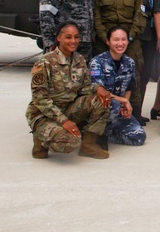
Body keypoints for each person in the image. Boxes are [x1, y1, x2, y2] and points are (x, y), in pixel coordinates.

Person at [26, 21, 111, 160]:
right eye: (68, 37)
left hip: (68, 108)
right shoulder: (45, 62)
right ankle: (40, 140)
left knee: (101, 101)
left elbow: (84, 87)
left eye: (76, 37)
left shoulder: (79, 60)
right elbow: (39, 99)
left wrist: (98, 88)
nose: (73, 41)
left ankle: (88, 145)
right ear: (59, 38)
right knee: (70, 142)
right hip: (44, 114)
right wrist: (63, 121)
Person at [92, 0, 146, 117]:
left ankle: (134, 113)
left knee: (134, 75)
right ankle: (103, 113)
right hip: (106, 41)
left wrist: (128, 38)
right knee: (103, 77)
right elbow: (97, 18)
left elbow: (140, 15)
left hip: (129, 39)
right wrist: (107, 40)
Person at [89, 26, 146, 147]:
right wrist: (123, 101)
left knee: (138, 137)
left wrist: (124, 105)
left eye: (123, 39)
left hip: (118, 109)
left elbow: (129, 87)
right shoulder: (97, 62)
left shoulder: (129, 62)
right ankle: (97, 135)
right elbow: (98, 91)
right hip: (100, 108)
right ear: (108, 41)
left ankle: (109, 131)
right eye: (116, 40)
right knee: (113, 104)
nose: (120, 43)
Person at [133, 0, 158, 123]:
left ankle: (139, 112)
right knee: (136, 74)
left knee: (146, 73)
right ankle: (133, 112)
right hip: (138, 37)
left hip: (151, 37)